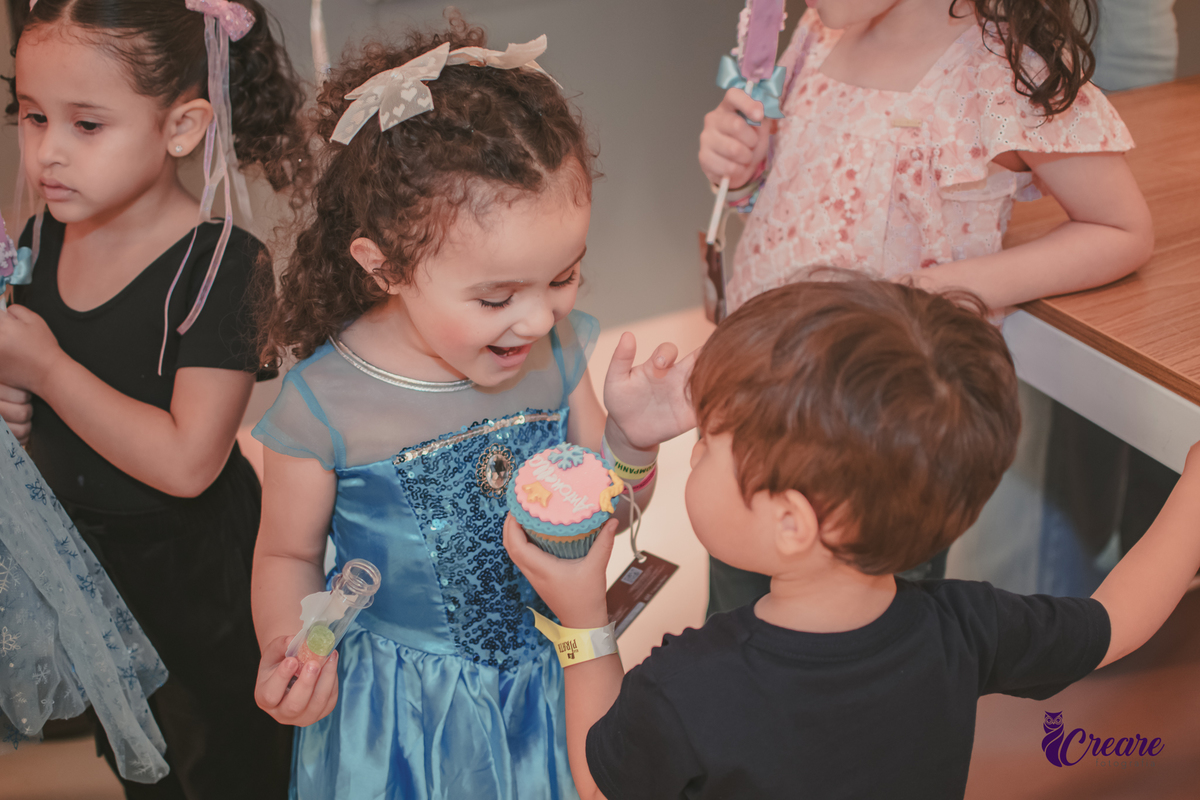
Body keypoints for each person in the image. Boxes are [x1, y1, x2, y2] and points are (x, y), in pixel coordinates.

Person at [504, 278, 1200, 800]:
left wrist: (584, 624)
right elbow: (1119, 620)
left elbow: (599, 784)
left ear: (792, 523)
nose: (694, 452)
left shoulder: (687, 685)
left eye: (709, 443)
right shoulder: (967, 627)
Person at [248, 19, 694, 800]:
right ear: (385, 266)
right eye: (496, 298)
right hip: (401, 718)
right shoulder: (324, 403)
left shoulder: (556, 355)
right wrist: (291, 648)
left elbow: (606, 512)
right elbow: (287, 555)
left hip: (548, 690)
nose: (538, 318)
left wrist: (631, 444)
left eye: (564, 277)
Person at [696, 0, 1155, 613]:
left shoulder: (1004, 73)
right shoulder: (817, 32)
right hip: (754, 405)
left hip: (878, 443)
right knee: (732, 624)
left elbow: (1119, 229)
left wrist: (940, 288)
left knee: (869, 648)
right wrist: (743, 168)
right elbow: (794, 198)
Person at [0, 0, 307, 796]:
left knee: (227, 768)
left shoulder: (222, 268)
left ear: (181, 127)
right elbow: (41, 413)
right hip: (89, 566)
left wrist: (46, 371)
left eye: (86, 124)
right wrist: (16, 403)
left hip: (199, 582)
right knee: (143, 766)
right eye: (32, 116)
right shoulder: (39, 242)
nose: (48, 151)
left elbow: (187, 463)